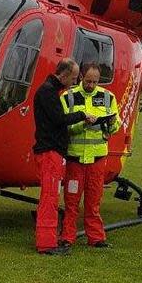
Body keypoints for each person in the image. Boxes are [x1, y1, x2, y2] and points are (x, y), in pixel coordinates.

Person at [32, 57, 94, 255]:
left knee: (50, 197)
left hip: (52, 152)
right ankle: (46, 244)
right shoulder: (48, 92)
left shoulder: (51, 90)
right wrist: (82, 115)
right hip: (50, 152)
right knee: (49, 198)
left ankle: (48, 241)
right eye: (74, 78)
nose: (75, 82)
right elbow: (59, 119)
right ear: (65, 75)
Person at [60, 63, 121, 249]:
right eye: (88, 81)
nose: (92, 85)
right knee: (71, 202)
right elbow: (63, 126)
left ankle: (96, 238)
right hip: (75, 158)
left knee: (94, 201)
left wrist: (110, 124)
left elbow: (116, 124)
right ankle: (67, 238)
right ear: (81, 78)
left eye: (95, 82)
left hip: (97, 159)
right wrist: (82, 124)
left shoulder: (107, 97)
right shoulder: (67, 97)